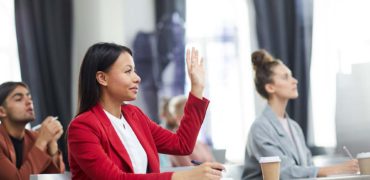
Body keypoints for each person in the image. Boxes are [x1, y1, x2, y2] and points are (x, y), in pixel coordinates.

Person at [67, 42, 224, 179]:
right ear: (102, 78)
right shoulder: (82, 127)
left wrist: (197, 88)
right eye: (128, 71)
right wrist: (183, 176)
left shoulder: (134, 116)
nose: (137, 78)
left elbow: (182, 145)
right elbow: (114, 178)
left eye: (134, 71)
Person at [241, 50, 359, 179]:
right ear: (270, 88)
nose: (295, 81)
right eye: (285, 77)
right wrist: (335, 169)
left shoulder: (294, 127)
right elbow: (282, 173)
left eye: (291, 76)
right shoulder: (260, 128)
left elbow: (308, 166)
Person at [0, 81, 65, 179]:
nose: (29, 102)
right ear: (1, 111)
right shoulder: (39, 140)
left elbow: (55, 177)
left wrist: (52, 144)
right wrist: (42, 141)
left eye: (29, 97)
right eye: (19, 99)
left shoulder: (33, 137)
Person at [164, 95, 214, 167]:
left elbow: (214, 164)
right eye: (192, 115)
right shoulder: (175, 143)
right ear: (178, 118)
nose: (197, 118)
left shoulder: (200, 143)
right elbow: (189, 170)